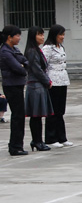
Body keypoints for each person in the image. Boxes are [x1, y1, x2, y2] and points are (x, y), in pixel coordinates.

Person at [24, 26, 53, 152]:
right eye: (39, 35)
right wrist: (47, 81)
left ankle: (38, 140)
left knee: (38, 115)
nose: (42, 37)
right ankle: (37, 140)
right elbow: (37, 69)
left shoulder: (37, 50)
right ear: (33, 36)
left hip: (39, 85)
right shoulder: (32, 51)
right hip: (35, 85)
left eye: (43, 34)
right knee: (36, 115)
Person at [42, 24, 72, 148]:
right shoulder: (47, 48)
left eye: (63, 34)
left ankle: (62, 137)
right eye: (60, 34)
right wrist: (46, 80)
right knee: (53, 110)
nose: (62, 37)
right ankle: (50, 138)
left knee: (60, 110)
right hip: (52, 81)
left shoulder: (60, 47)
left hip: (63, 80)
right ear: (54, 35)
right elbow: (43, 65)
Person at [1, 25, 29, 156]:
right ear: (9, 37)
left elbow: (24, 62)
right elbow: (19, 68)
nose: (19, 38)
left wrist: (23, 65)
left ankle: (17, 145)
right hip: (11, 85)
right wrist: (22, 66)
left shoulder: (14, 49)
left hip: (17, 84)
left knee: (19, 115)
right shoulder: (5, 52)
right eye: (17, 35)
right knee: (17, 115)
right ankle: (15, 146)